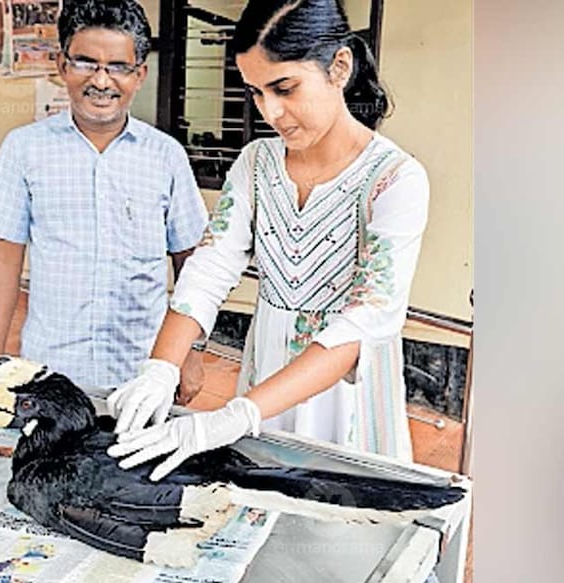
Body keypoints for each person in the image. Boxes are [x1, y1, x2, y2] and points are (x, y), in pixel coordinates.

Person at [108, 0, 430, 480]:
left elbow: (367, 317)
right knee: (260, 504)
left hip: (345, 394)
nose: (270, 112)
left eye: (284, 88)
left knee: (341, 522)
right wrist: (161, 367)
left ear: (339, 67)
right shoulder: (257, 164)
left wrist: (239, 414)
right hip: (266, 375)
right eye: (256, 92)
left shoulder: (394, 178)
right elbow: (211, 266)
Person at [0, 0, 209, 394]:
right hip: (51, 371)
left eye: (118, 66)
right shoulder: (24, 149)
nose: (101, 80)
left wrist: (192, 353)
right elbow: (3, 259)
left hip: (144, 372)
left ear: (140, 74)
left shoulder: (166, 156)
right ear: (62, 65)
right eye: (86, 62)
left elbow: (190, 261)